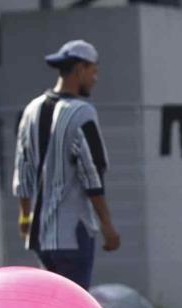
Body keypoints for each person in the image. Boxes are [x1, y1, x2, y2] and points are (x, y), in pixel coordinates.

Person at [12, 39, 120, 290]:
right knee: (73, 304)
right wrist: (107, 225)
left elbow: (23, 168)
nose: (95, 78)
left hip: (40, 236)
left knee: (50, 307)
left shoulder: (31, 109)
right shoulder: (81, 112)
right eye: (93, 71)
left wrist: (25, 215)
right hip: (73, 233)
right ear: (80, 68)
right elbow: (91, 173)